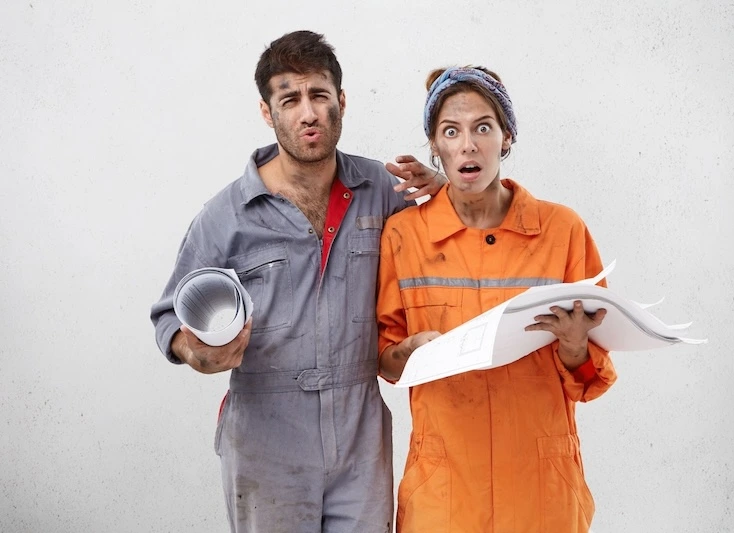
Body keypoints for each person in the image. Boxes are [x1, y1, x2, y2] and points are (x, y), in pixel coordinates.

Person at [149, 30, 443, 533]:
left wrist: (443, 191)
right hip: (266, 440)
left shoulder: (381, 191)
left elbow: (447, 240)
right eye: (290, 99)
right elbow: (169, 316)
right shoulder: (227, 215)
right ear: (267, 112)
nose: (308, 113)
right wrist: (196, 352)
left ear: (341, 101)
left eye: (319, 95)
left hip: (360, 436)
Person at [376, 66, 618, 532]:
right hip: (444, 495)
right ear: (435, 146)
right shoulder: (404, 236)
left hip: (541, 493)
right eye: (451, 131)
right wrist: (408, 352)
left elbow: (593, 379)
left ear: (506, 137)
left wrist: (574, 347)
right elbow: (385, 361)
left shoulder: (562, 231)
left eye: (483, 128)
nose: (468, 145)